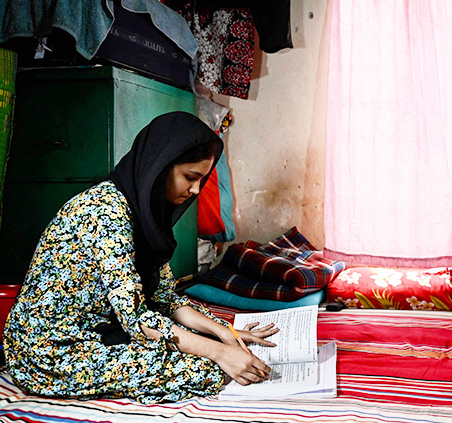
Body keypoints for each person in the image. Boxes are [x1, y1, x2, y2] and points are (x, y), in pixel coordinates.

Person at [3, 111, 278, 404]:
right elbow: (136, 318)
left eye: (202, 180)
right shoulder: (104, 212)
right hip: (51, 352)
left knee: (209, 348)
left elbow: (167, 300)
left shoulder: (145, 214)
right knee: (206, 369)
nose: (195, 190)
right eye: (190, 177)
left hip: (102, 331)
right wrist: (221, 352)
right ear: (160, 166)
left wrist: (225, 333)